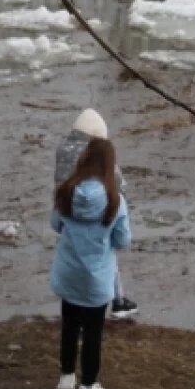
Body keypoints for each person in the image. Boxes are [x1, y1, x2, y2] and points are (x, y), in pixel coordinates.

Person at [51, 136, 131, 389]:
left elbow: (56, 225)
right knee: (94, 333)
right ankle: (88, 387)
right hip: (96, 278)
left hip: (69, 273)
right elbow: (122, 241)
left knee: (69, 326)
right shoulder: (115, 201)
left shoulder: (65, 192)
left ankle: (66, 378)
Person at [54, 109, 138, 319]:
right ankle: (118, 301)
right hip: (100, 214)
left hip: (68, 210)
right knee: (104, 259)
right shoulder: (96, 154)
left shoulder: (62, 149)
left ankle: (75, 305)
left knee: (72, 258)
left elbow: (56, 217)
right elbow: (118, 184)